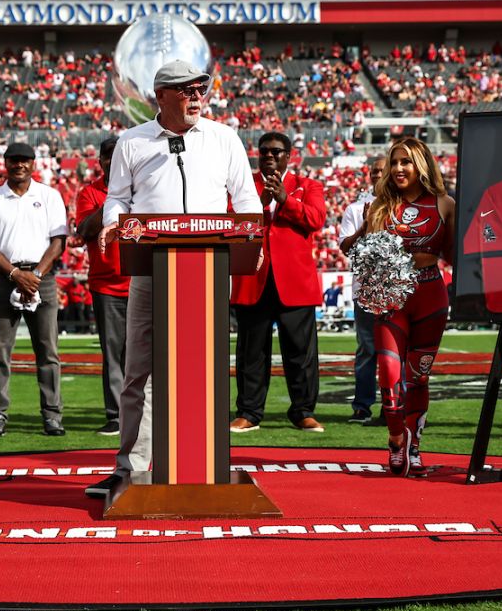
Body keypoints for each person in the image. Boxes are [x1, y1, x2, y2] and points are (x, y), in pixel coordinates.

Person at [86, 60, 262, 497]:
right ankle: (130, 466)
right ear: (160, 96)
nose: (197, 96)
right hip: (151, 268)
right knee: (139, 370)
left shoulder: (224, 138)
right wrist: (112, 222)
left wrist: (255, 242)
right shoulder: (132, 141)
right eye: (186, 90)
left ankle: (202, 463)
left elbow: (245, 200)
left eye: (201, 88)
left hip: (209, 265)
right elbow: (117, 199)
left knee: (204, 367)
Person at [340, 139, 454, 476]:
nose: (399, 168)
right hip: (391, 300)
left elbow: (453, 255)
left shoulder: (445, 204)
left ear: (422, 165)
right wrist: (362, 230)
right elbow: (356, 251)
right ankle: (394, 439)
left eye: (407, 162)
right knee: (390, 379)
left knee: (418, 379)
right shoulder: (378, 206)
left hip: (431, 296)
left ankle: (415, 447)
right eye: (395, 162)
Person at [229, 132, 327, 433]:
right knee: (251, 352)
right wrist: (260, 204)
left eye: (276, 151)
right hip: (254, 280)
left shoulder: (308, 186)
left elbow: (316, 220)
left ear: (289, 155)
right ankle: (249, 412)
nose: (269, 156)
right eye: (264, 151)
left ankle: (303, 411)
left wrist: (285, 200)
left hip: (294, 282)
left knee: (301, 353)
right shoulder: (243, 185)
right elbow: (232, 225)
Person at [0, 143, 69, 438]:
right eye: (14, 160)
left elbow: (59, 240)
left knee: (48, 351)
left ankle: (52, 415)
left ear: (33, 163)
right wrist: (17, 275)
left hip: (43, 277)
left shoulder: (49, 196)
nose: (19, 165)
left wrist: (35, 275)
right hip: (5, 277)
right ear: (5, 163)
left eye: (25, 160)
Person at [74, 136, 129, 436]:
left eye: (119, 156)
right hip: (107, 284)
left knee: (146, 354)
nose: (113, 161)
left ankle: (147, 412)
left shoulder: (143, 185)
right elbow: (84, 230)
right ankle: (116, 416)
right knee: (113, 353)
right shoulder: (90, 192)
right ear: (101, 161)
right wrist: (115, 198)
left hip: (144, 279)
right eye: (108, 156)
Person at [338, 155, 387, 425]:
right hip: (366, 290)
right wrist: (365, 226)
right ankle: (362, 406)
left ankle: (392, 405)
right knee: (367, 349)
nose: (377, 175)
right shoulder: (356, 209)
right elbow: (345, 247)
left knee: (395, 352)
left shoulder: (402, 207)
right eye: (373, 172)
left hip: (396, 290)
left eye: (382, 170)